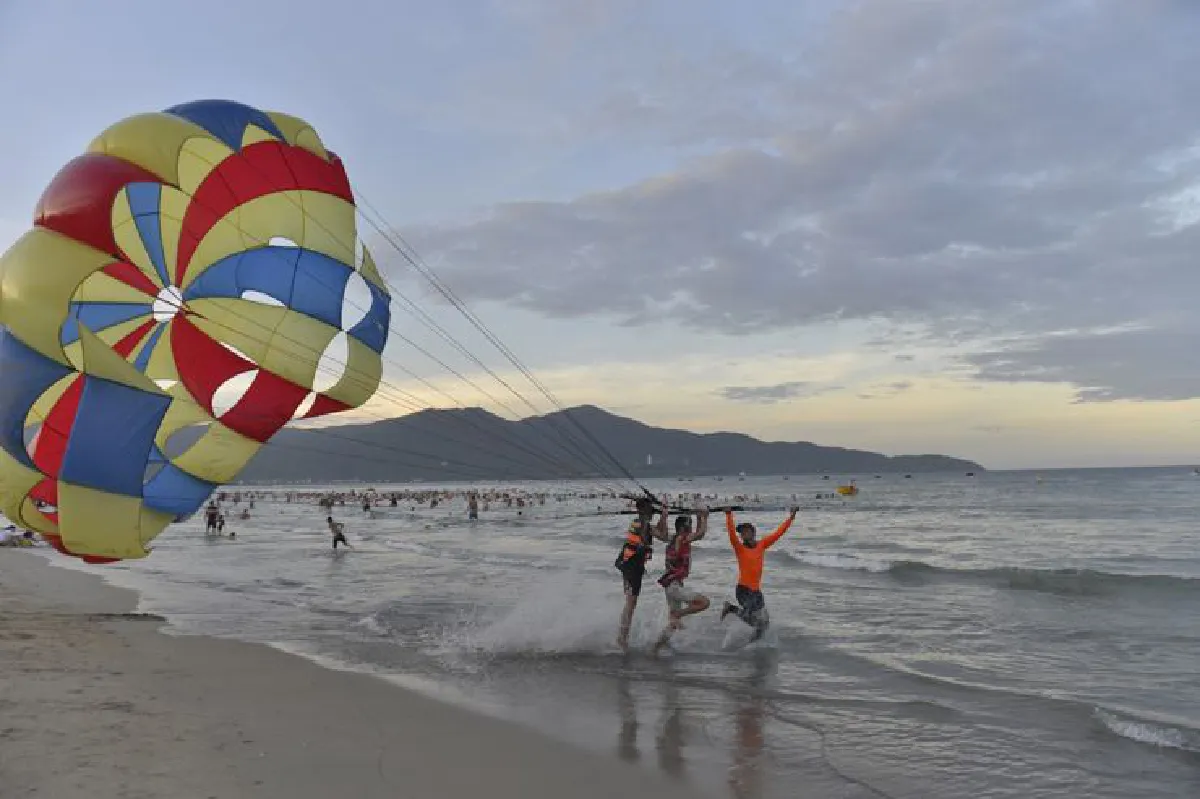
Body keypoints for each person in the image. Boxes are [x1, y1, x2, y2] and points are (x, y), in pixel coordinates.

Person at [721, 506, 798, 642]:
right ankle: (731, 609)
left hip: (756, 591)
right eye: (742, 533)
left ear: (753, 532)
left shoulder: (761, 545)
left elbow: (778, 533)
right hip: (744, 590)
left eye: (746, 531)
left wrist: (791, 518)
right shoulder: (740, 548)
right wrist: (728, 515)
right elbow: (732, 535)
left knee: (764, 624)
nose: (743, 534)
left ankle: (752, 643)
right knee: (751, 618)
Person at [652, 508, 711, 655]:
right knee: (704, 603)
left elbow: (698, 533)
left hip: (670, 585)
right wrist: (704, 517)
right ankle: (678, 614)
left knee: (672, 625)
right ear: (683, 527)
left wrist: (699, 518)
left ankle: (655, 649)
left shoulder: (672, 538)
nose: (691, 528)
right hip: (674, 586)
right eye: (689, 525)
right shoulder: (682, 538)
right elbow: (701, 534)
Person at [615, 496, 669, 650]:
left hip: (625, 563)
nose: (652, 512)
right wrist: (664, 516)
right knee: (631, 603)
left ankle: (622, 636)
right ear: (644, 511)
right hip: (631, 566)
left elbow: (656, 531)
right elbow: (663, 536)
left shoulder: (637, 522)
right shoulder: (643, 525)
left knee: (629, 602)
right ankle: (622, 639)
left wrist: (663, 516)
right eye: (650, 510)